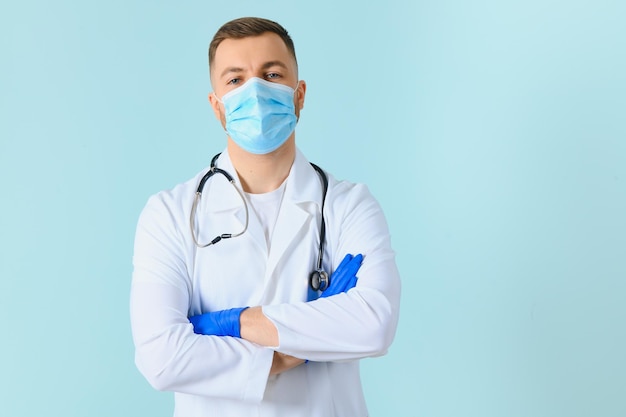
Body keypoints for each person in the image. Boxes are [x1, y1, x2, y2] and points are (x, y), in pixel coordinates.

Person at [130, 16, 401, 417]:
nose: (255, 91)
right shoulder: (170, 214)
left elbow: (374, 325)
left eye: (271, 74)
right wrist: (300, 346)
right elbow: (161, 358)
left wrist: (235, 323)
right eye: (235, 80)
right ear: (217, 107)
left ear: (299, 94)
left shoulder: (349, 206)